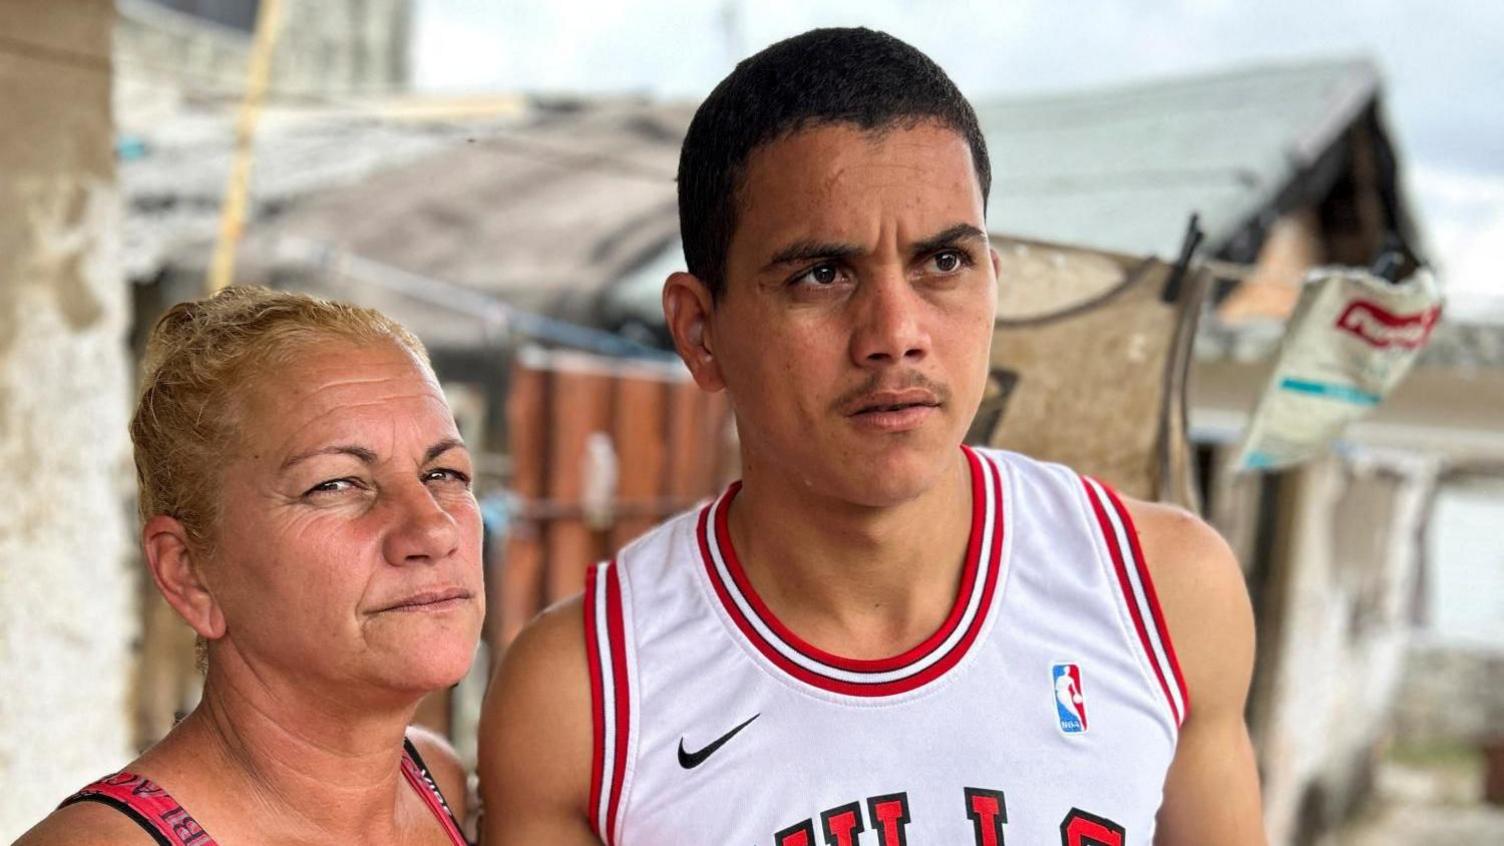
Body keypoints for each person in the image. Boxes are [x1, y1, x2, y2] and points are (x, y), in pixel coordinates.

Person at [479, 27, 1267, 845]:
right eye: (823, 275)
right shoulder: (586, 699)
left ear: (994, 285)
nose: (896, 332)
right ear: (700, 331)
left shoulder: (1164, 594)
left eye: (943, 263)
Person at [17, 287, 480, 846]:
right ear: (189, 573)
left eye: (444, 473)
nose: (433, 530)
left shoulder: (436, 784)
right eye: (334, 484)